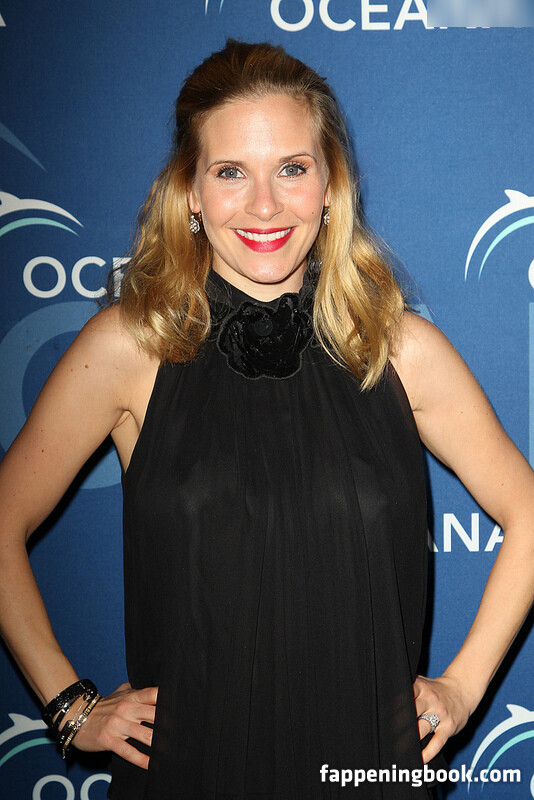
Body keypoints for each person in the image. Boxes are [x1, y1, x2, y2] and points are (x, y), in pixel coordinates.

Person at [0, 39, 533, 800]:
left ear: (330, 183)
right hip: (189, 775)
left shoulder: (398, 349)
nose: (264, 206)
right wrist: (68, 705)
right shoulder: (130, 347)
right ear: (189, 191)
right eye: (230, 172)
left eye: (291, 168)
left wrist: (464, 685)